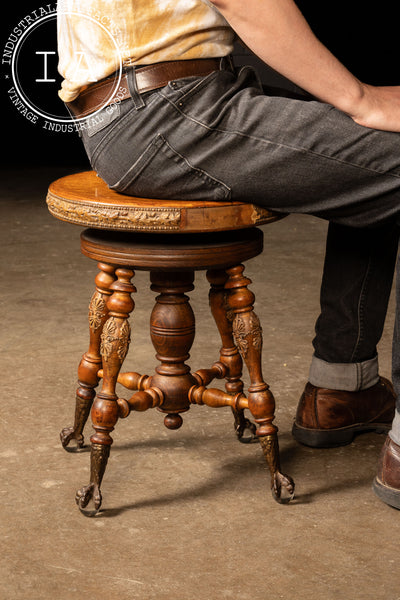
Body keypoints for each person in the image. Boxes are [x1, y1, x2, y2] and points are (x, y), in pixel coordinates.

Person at [57, 0, 400, 509]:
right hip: (168, 113)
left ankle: (343, 389)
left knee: (370, 161)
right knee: (378, 127)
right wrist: (360, 97)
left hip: (140, 109)